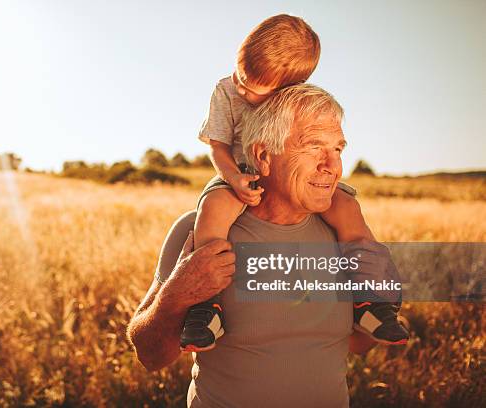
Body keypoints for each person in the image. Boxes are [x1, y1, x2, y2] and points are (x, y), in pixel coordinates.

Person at [128, 84, 407, 407]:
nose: (332, 166)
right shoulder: (199, 231)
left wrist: (383, 296)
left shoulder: (345, 237)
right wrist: (177, 295)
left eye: (338, 149)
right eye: (314, 147)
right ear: (263, 156)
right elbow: (149, 355)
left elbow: (356, 344)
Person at [183, 13, 407, 351]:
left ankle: (370, 300)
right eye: (240, 76)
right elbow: (217, 145)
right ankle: (206, 306)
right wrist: (234, 178)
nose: (242, 89)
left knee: (347, 208)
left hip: (280, 176)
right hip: (237, 173)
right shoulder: (225, 90)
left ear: (285, 88)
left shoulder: (291, 99)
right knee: (215, 207)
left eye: (254, 89)